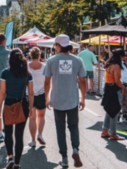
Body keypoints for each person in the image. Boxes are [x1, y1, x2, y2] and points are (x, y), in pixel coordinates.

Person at [44, 35, 86, 168]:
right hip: (72, 100)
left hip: (57, 100)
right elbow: (83, 80)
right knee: (73, 127)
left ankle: (65, 157)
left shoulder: (51, 60)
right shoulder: (77, 60)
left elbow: (46, 81)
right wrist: (83, 98)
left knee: (60, 129)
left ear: (57, 45)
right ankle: (75, 149)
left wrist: (46, 97)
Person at [0, 49, 34, 169]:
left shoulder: (5, 73)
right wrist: (31, 107)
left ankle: (10, 157)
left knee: (8, 132)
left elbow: (2, 92)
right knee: (19, 135)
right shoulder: (28, 73)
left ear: (10, 59)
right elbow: (31, 93)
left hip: (9, 104)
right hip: (23, 104)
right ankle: (17, 163)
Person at [101, 50, 127, 140]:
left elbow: (115, 80)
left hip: (108, 88)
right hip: (113, 90)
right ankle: (113, 133)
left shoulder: (109, 64)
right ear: (119, 57)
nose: (124, 58)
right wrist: (125, 88)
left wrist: (122, 84)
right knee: (115, 111)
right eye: (123, 56)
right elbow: (117, 82)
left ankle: (105, 131)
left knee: (109, 110)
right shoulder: (116, 66)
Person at [27, 47, 47, 148]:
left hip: (29, 94)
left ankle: (33, 140)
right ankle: (40, 134)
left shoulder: (26, 66)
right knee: (41, 116)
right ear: (39, 55)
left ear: (30, 55)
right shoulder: (44, 66)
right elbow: (48, 82)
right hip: (41, 94)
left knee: (32, 117)